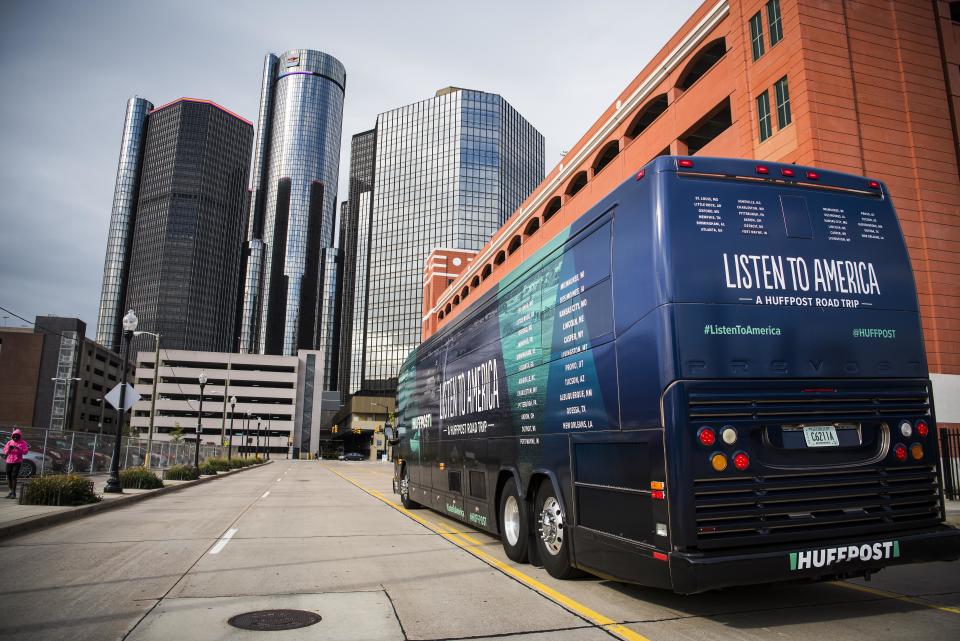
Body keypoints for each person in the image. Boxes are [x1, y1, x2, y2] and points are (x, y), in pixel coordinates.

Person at [4, 429, 29, 499]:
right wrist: (9, 450)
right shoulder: (9, 442)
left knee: (14, 476)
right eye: (14, 437)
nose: (15, 438)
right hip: (9, 461)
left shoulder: (23, 443)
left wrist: (18, 449)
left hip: (17, 461)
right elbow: (5, 451)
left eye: (17, 437)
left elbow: (25, 452)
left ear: (19, 437)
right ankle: (10, 492)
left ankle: (14, 493)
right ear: (12, 436)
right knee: (8, 476)